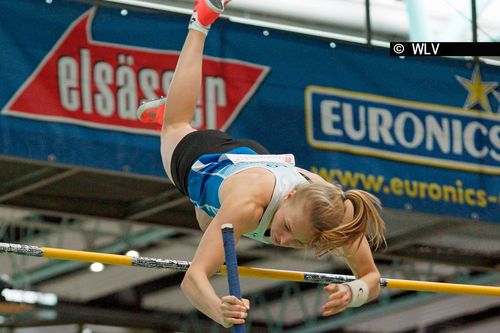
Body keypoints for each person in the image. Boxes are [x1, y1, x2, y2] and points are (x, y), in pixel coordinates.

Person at [137, 0, 386, 328]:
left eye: (301, 242)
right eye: (289, 229)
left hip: (254, 159)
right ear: (290, 197)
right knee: (175, 126)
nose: (283, 242)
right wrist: (218, 310)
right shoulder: (248, 206)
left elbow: (371, 278)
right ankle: (200, 20)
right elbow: (193, 278)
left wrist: (352, 292)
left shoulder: (334, 217)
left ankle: (173, 115)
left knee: (204, 219)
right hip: (206, 162)